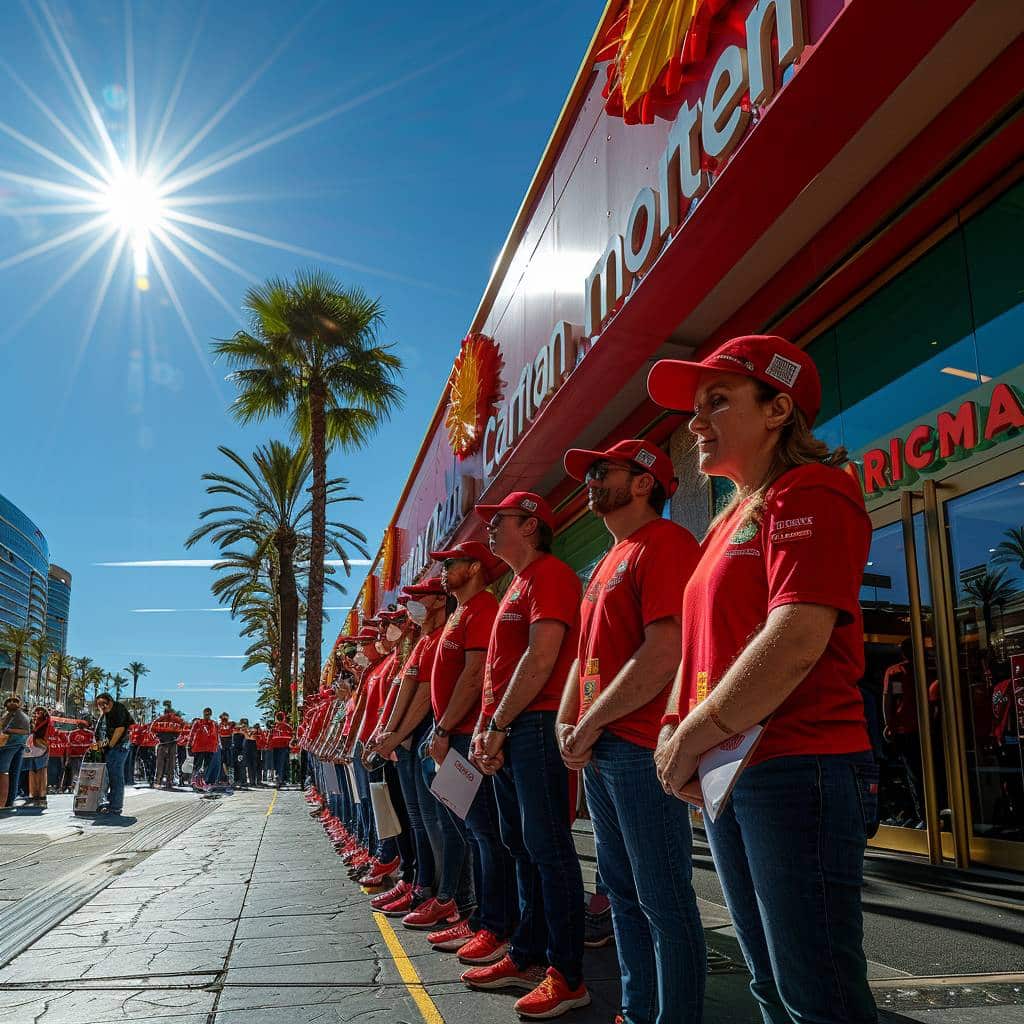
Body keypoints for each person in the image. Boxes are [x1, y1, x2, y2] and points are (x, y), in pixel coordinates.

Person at [648, 335, 878, 1024]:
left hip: (798, 766)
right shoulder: (725, 520)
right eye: (695, 407)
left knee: (818, 995)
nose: (696, 421)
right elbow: (697, 653)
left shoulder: (814, 489)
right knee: (769, 985)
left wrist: (688, 737)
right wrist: (673, 732)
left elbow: (797, 639)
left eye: (718, 400)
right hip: (732, 770)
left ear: (778, 407)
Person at [558, 439, 706, 1024]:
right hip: (601, 750)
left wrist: (587, 724)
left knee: (664, 901)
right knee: (620, 894)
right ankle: (638, 1011)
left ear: (644, 481)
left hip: (640, 748)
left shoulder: (665, 544)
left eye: (602, 471)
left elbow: (665, 650)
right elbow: (582, 657)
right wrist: (568, 725)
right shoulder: (604, 560)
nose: (590, 481)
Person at [464, 491, 590, 1021]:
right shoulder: (516, 584)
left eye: (502, 521)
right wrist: (488, 733)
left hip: (535, 725)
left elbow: (541, 658)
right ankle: (527, 953)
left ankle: (567, 973)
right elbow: (499, 671)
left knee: (548, 847)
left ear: (533, 526)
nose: (491, 530)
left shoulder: (552, 576)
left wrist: (497, 724)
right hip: (511, 730)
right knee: (519, 844)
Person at [419, 542, 518, 965]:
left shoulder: (481, 609)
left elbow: (476, 674)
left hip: (464, 737)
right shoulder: (463, 611)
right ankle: (480, 916)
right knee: (473, 832)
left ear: (475, 568)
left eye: (451, 563)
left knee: (486, 834)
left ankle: (494, 924)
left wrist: (443, 728)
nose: (444, 571)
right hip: (454, 737)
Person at [93, 692, 134, 816]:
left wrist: (110, 745)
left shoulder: (118, 709)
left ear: (110, 701)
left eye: (104, 703)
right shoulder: (104, 714)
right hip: (108, 749)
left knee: (115, 776)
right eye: (99, 705)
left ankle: (115, 806)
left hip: (118, 747)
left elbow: (120, 728)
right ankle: (108, 803)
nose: (102, 706)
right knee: (107, 776)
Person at [0, 696, 31, 812]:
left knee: (3, 772)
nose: (12, 702)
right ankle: (8, 802)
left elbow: (26, 731)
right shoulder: (8, 714)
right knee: (13, 773)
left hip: (11, 745)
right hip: (14, 745)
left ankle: (3, 803)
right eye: (9, 701)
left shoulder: (19, 715)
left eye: (15, 701)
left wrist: (8, 731)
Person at [20, 706, 51, 808]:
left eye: (39, 712)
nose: (37, 714)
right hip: (33, 749)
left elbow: (46, 736)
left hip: (41, 748)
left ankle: (41, 796)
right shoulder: (32, 723)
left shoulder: (47, 723)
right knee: (32, 771)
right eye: (36, 712)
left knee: (41, 772)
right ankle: (33, 795)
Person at [152, 704, 184, 789]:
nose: (168, 714)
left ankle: (169, 781)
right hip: (162, 744)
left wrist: (178, 738)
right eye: (167, 712)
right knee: (160, 763)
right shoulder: (159, 720)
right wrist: (157, 739)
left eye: (170, 712)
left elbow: (183, 730)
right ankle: (159, 781)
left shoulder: (178, 720)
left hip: (172, 743)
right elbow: (152, 730)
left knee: (170, 763)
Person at [188, 708, 220, 787]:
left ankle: (201, 781)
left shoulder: (214, 723)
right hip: (199, 747)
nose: (207, 715)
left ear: (211, 714)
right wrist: (189, 745)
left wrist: (217, 745)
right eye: (206, 714)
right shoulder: (198, 722)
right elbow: (192, 733)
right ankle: (194, 781)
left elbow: (216, 735)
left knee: (206, 765)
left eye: (208, 714)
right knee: (197, 765)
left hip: (210, 748)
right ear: (203, 713)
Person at [63, 720, 94, 792]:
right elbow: (93, 745)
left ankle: (74, 788)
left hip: (74, 756)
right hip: (86, 757)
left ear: (77, 726)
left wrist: (67, 758)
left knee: (75, 773)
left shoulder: (72, 733)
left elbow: (68, 746)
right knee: (85, 773)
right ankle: (84, 787)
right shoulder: (91, 733)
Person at [269, 711, 293, 786]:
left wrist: (269, 746)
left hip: (279, 748)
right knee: (282, 763)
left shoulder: (275, 727)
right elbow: (291, 737)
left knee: (279, 763)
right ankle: (282, 779)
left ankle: (280, 778)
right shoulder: (287, 727)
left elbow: (270, 738)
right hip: (282, 747)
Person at [136, 719, 158, 786]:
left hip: (149, 747)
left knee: (149, 763)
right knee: (148, 763)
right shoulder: (143, 729)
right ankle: (150, 778)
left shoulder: (153, 730)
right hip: (145, 747)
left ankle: (150, 778)